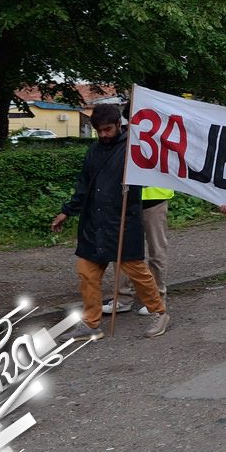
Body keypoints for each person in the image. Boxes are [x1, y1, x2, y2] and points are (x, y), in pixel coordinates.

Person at [51, 103, 169, 341]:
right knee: (87, 273)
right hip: (94, 221)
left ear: (119, 124)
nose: (103, 134)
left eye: (108, 129)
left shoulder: (133, 149)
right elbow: (84, 184)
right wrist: (67, 211)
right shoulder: (94, 150)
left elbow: (153, 167)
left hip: (124, 220)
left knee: (136, 271)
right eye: (99, 131)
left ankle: (160, 312)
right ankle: (90, 323)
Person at [105, 185, 174, 316]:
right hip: (124, 196)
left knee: (157, 248)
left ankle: (157, 299)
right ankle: (123, 298)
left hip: (155, 198)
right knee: (121, 248)